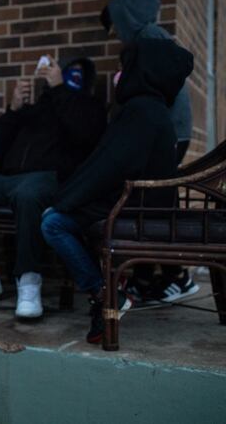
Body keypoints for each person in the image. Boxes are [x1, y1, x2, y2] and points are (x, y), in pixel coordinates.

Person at [41, 38, 194, 343]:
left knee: (53, 223)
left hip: (135, 209)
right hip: (138, 204)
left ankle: (104, 293)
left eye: (124, 67)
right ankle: (108, 294)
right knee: (67, 216)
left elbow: (108, 167)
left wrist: (65, 201)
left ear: (141, 70)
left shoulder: (141, 111)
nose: (118, 75)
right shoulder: (150, 109)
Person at [0, 56, 107, 318]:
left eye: (76, 75)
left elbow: (86, 135)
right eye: (67, 73)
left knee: (27, 193)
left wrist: (60, 90)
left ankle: (29, 281)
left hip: (52, 178)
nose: (70, 78)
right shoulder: (36, 109)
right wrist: (14, 109)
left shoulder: (89, 106)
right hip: (8, 178)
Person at [101, 0, 199, 301]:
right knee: (149, 203)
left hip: (166, 134)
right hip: (165, 132)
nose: (114, 34)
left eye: (114, 26)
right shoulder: (149, 38)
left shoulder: (151, 38)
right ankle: (148, 276)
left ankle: (178, 276)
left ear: (125, 19)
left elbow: (159, 88)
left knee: (153, 204)